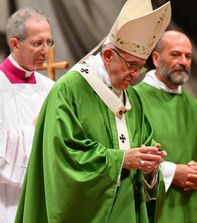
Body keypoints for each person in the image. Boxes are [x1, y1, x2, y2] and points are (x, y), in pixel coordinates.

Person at [15, 0, 171, 222]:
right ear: (108, 55)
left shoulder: (133, 97)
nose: (136, 74)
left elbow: (142, 146)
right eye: (131, 65)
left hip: (128, 210)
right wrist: (121, 160)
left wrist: (149, 166)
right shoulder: (70, 89)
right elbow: (63, 155)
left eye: (141, 66)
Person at [134, 30, 197, 223]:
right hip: (152, 211)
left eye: (188, 56)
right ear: (156, 58)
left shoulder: (195, 107)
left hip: (190, 211)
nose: (183, 61)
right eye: (175, 54)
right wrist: (172, 172)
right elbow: (128, 155)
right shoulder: (135, 100)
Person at [0, 7, 55, 223]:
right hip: (6, 203)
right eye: (37, 43)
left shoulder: (51, 88)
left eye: (49, 42)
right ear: (14, 44)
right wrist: (35, 131)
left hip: (44, 198)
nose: (45, 50)